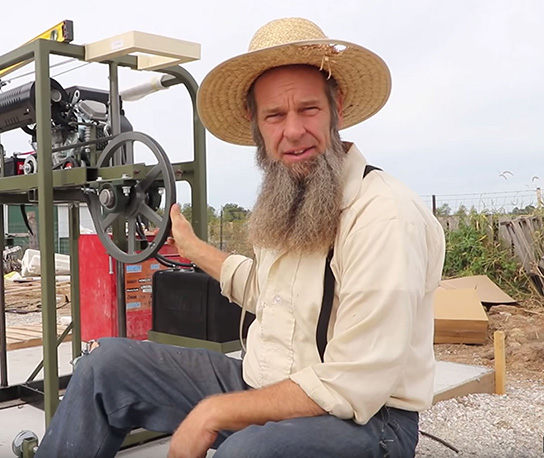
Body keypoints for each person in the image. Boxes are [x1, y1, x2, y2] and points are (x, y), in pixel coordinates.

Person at [35, 17, 445, 458]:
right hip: (265, 386)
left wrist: (214, 412)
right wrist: (191, 249)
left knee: (246, 452)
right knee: (105, 367)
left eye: (308, 109)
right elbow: (269, 291)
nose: (292, 132)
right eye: (274, 115)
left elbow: (353, 382)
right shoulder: (289, 198)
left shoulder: (382, 215)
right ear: (255, 124)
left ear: (337, 108)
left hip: (366, 420)